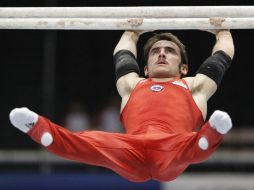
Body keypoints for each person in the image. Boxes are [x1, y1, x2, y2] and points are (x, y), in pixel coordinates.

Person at [9, 28, 234, 182]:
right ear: (145, 68)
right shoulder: (132, 85)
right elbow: (123, 54)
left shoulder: (194, 86)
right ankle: (41, 129)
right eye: (155, 51)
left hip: (171, 148)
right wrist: (131, 30)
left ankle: (209, 136)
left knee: (188, 145)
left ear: (184, 68)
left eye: (169, 51)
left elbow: (221, 57)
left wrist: (223, 30)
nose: (161, 54)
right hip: (130, 149)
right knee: (90, 141)